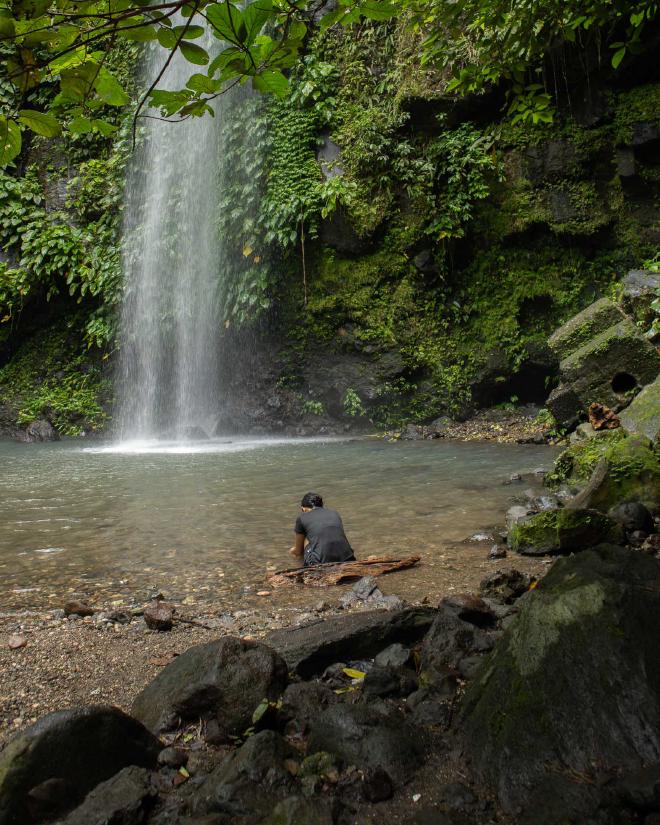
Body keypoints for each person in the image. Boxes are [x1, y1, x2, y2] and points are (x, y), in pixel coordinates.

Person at [289, 492, 356, 567]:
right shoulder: (334, 513)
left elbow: (298, 551)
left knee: (306, 539)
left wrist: (292, 551)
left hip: (321, 563)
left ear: (303, 508)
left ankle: (302, 570)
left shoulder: (302, 518)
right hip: (349, 559)